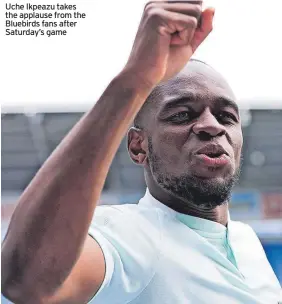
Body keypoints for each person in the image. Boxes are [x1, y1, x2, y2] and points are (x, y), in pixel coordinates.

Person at [2, 1, 281, 303]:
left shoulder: (247, 241)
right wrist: (136, 77)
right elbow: (25, 283)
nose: (211, 126)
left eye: (227, 116)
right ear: (138, 146)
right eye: (182, 115)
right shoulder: (129, 236)